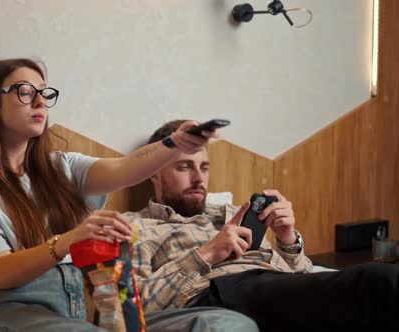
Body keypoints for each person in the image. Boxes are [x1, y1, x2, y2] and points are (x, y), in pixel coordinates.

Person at [0, 59, 259, 332]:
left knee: (227, 324)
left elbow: (126, 168)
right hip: (4, 308)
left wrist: (175, 143)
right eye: (24, 92)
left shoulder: (61, 167)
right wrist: (67, 241)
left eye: (45, 93)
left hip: (77, 311)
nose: (39, 102)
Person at [125, 119, 399, 332]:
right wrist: (207, 253)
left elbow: (304, 277)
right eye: (185, 167)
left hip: (272, 288)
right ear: (154, 173)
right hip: (214, 293)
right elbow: (132, 305)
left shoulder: (236, 214)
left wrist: (287, 238)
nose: (199, 179)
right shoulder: (135, 227)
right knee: (378, 283)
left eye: (204, 168)